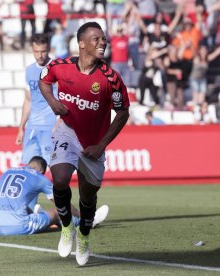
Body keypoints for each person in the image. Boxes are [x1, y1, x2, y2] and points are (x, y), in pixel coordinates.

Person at [39, 22, 130, 266]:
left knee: (88, 198)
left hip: (94, 143)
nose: (103, 42)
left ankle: (84, 235)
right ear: (81, 43)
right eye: (96, 39)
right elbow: (44, 81)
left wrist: (101, 145)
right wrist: (52, 102)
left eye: (103, 39)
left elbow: (123, 113)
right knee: (59, 179)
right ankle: (67, 226)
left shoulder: (110, 78)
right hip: (66, 132)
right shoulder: (60, 66)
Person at [0, 156, 109, 236]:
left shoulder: (7, 171)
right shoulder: (39, 177)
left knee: (24, 208)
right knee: (59, 212)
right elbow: (62, 202)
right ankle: (89, 222)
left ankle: (42, 218)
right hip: (16, 226)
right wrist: (83, 215)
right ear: (42, 171)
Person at [16, 34, 58, 165]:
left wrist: (60, 124)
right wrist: (21, 127)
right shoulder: (29, 70)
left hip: (51, 127)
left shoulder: (58, 69)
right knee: (30, 168)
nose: (40, 55)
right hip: (32, 127)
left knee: (54, 169)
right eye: (36, 52)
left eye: (43, 51)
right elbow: (28, 100)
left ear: (48, 49)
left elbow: (65, 99)